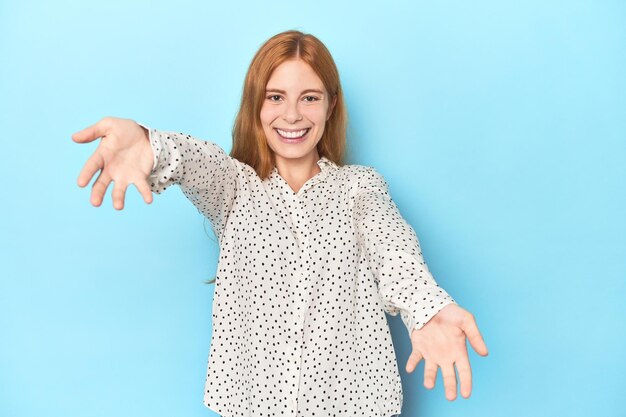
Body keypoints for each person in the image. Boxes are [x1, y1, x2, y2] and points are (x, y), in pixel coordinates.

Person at [72, 30, 488, 417]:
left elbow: (393, 247)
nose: (292, 114)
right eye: (275, 97)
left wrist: (427, 307)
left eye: (309, 97)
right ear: (257, 105)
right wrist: (150, 143)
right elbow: (198, 160)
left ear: (331, 105)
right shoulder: (234, 187)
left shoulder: (360, 187)